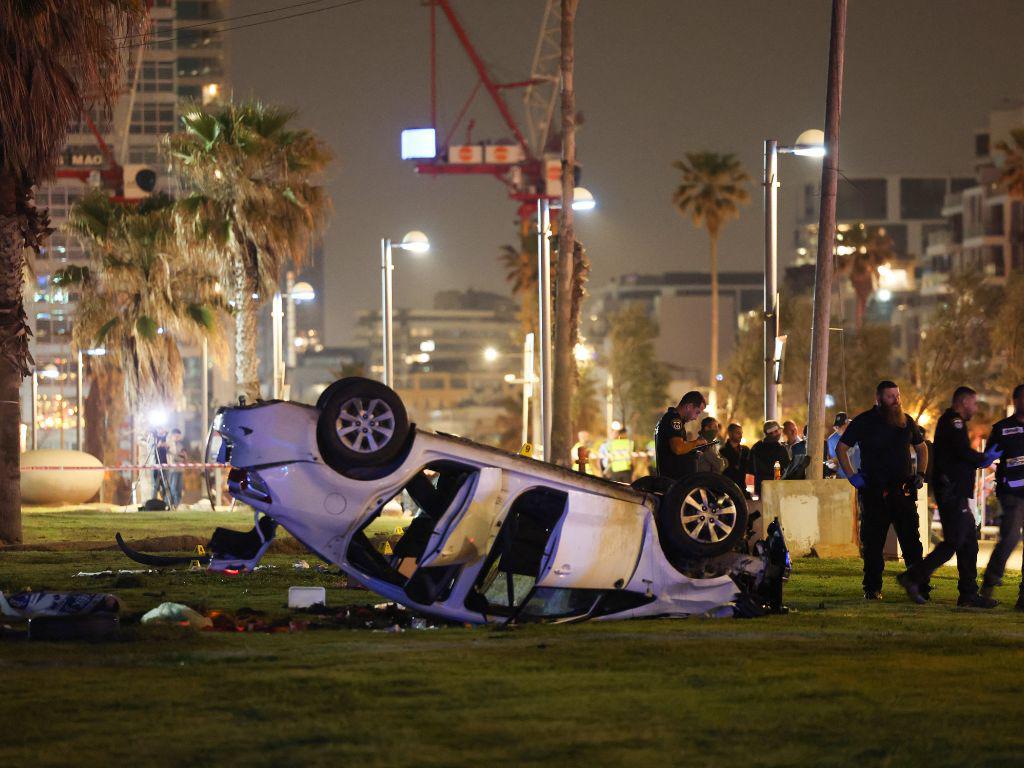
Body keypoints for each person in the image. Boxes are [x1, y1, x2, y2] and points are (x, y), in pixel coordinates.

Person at [897, 387, 1001, 608]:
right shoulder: (954, 422)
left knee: (969, 543)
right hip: (951, 491)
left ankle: (968, 594)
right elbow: (962, 452)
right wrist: (983, 458)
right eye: (973, 403)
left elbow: (957, 455)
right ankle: (913, 577)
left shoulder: (951, 422)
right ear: (963, 402)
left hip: (956, 492)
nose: (975, 408)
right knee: (954, 541)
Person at [837, 380, 929, 600]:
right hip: (874, 492)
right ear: (878, 399)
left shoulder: (906, 421)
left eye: (898, 395)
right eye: (891, 396)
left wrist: (920, 474)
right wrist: (852, 476)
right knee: (873, 544)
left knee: (911, 543)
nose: (896, 400)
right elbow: (842, 448)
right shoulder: (864, 421)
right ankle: (872, 588)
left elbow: (922, 448)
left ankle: (919, 587)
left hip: (902, 492)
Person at [981, 383, 1024, 609]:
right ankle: (989, 583)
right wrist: (987, 458)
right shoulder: (1002, 428)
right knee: (1010, 538)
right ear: (1015, 401)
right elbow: (987, 458)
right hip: (1012, 493)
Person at [654, 391, 708, 481]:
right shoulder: (674, 419)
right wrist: (697, 443)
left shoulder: (671, 418)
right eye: (697, 412)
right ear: (689, 406)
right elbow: (678, 448)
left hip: (671, 480)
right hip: (673, 481)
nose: (696, 418)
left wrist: (693, 450)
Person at [750, 421, 790, 495]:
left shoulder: (756, 447)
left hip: (761, 487)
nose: (780, 433)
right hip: (777, 487)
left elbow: (750, 468)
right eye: (778, 431)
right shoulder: (780, 449)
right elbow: (787, 468)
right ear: (773, 432)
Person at [720, 423, 752, 496]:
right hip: (728, 486)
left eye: (741, 433)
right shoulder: (723, 451)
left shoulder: (745, 450)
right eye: (738, 433)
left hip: (742, 487)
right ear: (730, 434)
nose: (741, 436)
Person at [826, 412, 858, 478]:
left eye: (840, 426)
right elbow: (835, 464)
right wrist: (832, 465)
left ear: (847, 424)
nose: (837, 429)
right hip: (843, 479)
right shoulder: (832, 440)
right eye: (836, 427)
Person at [166, 428, 187, 508]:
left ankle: (177, 504)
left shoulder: (180, 445)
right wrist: (180, 455)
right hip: (173, 470)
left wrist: (182, 456)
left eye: (179, 436)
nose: (178, 438)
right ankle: (171, 504)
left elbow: (184, 457)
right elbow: (174, 457)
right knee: (173, 488)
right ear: (172, 435)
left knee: (179, 488)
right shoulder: (169, 445)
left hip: (180, 469)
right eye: (176, 436)